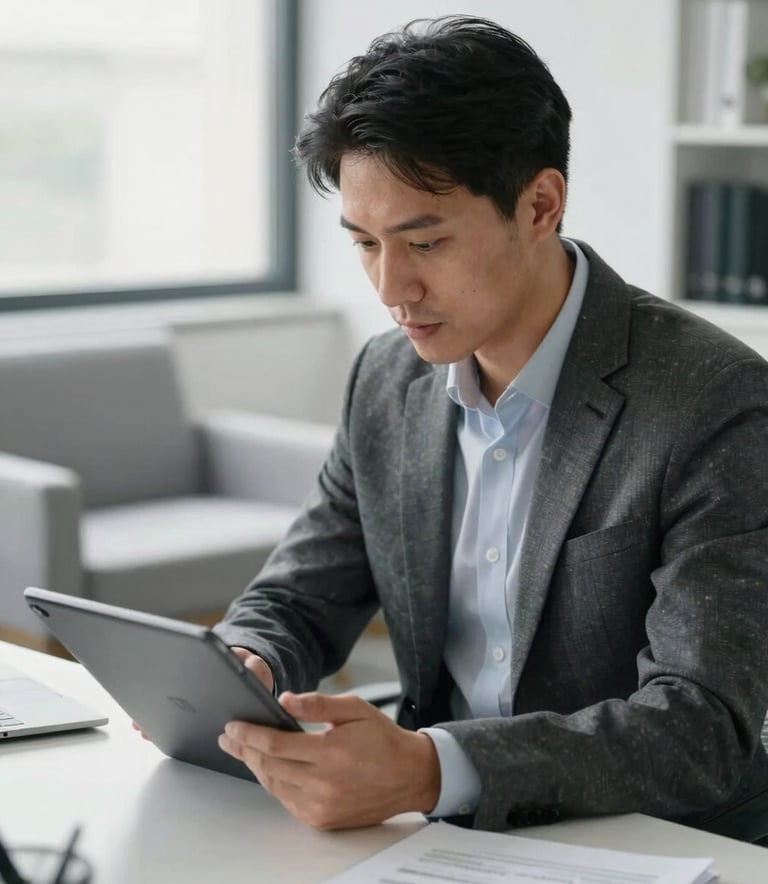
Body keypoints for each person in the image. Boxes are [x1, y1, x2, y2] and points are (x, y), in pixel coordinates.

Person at [212, 15, 768, 838]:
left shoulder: (714, 400)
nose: (391, 288)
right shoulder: (386, 377)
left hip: (657, 834)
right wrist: (246, 662)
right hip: (442, 837)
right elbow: (301, 593)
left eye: (425, 241)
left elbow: (700, 725)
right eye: (365, 244)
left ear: (540, 204)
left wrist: (434, 767)